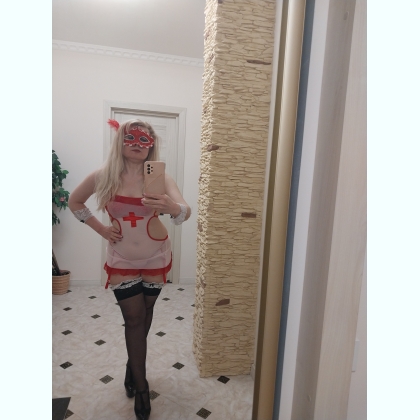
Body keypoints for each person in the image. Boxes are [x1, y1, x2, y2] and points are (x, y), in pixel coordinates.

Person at [68, 118, 190, 420]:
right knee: (134, 318)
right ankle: (142, 386)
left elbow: (184, 212)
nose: (137, 143)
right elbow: (74, 202)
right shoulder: (103, 176)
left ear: (151, 145)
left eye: (144, 139)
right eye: (131, 137)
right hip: (122, 259)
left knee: (145, 314)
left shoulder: (161, 178)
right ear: (120, 141)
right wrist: (101, 229)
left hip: (156, 256)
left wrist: (174, 208)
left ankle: (132, 367)